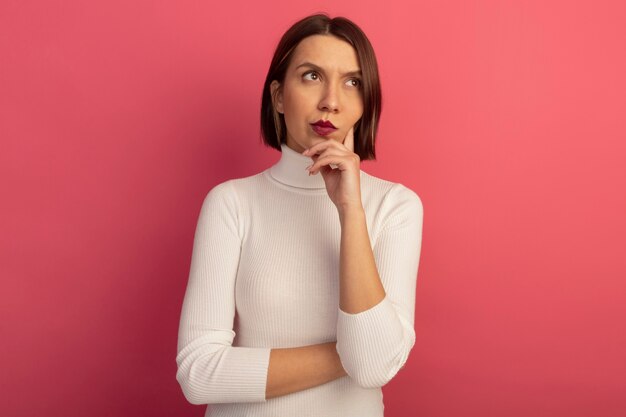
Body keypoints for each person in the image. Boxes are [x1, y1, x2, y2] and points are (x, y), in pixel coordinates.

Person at [175, 13, 424, 417]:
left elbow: (374, 367)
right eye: (311, 76)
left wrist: (350, 209)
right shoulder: (232, 203)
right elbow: (200, 373)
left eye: (352, 82)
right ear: (277, 96)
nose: (331, 99)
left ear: (365, 102)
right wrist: (352, 352)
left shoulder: (395, 207)